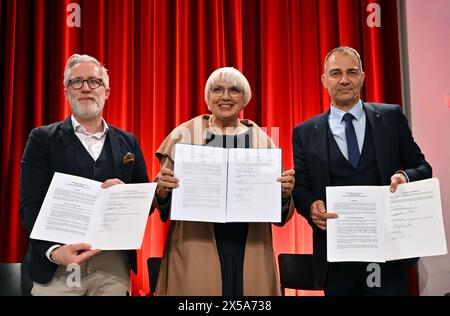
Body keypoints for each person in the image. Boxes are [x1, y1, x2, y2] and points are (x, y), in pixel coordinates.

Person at [292, 46, 432, 296]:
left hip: (389, 255)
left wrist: (405, 176)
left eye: (352, 72)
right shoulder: (304, 132)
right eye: (336, 73)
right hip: (336, 259)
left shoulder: (391, 117)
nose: (344, 80)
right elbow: (301, 187)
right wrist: (311, 205)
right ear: (324, 80)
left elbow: (422, 167)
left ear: (363, 77)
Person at [154, 67, 295, 295]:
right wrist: (161, 190)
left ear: (245, 98)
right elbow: (164, 201)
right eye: (217, 90)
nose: (225, 97)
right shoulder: (183, 135)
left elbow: (279, 213)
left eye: (234, 90)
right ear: (208, 97)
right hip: (195, 244)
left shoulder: (262, 140)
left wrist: (285, 194)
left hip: (248, 244)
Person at [20, 54, 150, 295]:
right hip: (57, 267)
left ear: (107, 91)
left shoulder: (129, 141)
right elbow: (30, 205)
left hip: (113, 267)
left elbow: (145, 206)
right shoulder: (41, 139)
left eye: (94, 81)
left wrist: (126, 195)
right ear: (67, 92)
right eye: (76, 82)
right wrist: (54, 252)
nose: (86, 88)